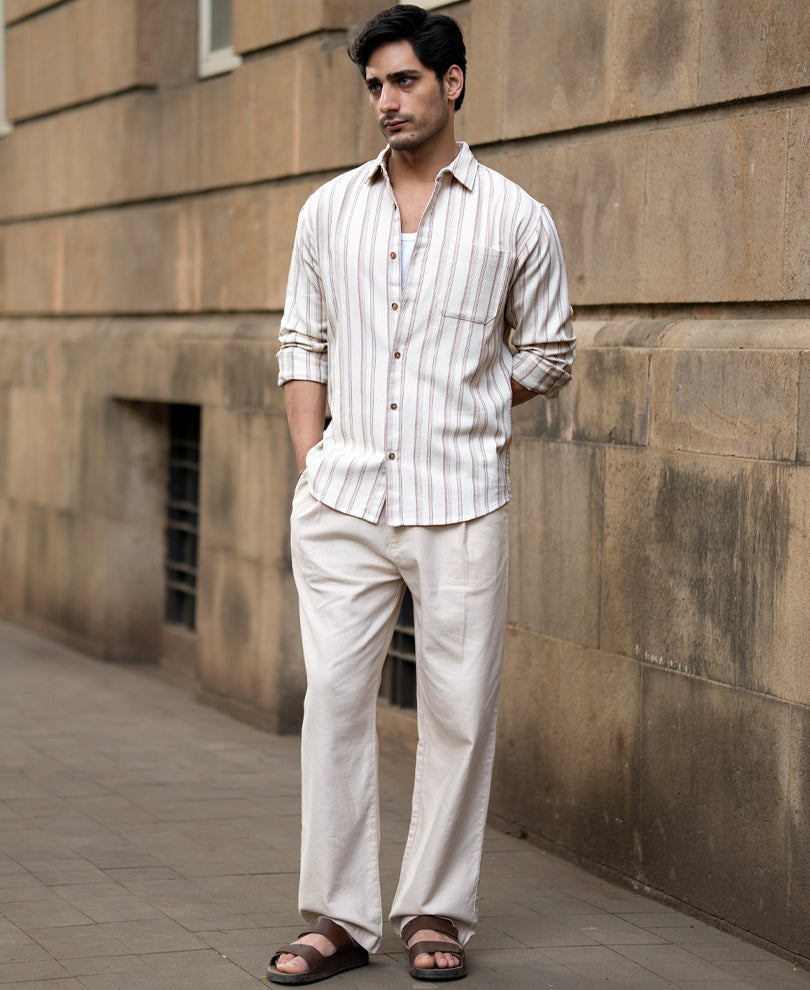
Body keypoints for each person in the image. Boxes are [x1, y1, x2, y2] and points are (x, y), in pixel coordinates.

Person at [267, 4, 575, 984]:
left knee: (457, 712)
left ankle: (434, 911)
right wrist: (311, 456)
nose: (386, 101)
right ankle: (338, 918)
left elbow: (550, 351)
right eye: (374, 86)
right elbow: (302, 338)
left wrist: (473, 400)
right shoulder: (329, 211)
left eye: (403, 80)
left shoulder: (517, 218)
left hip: (462, 499)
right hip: (345, 498)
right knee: (335, 704)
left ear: (452, 82)